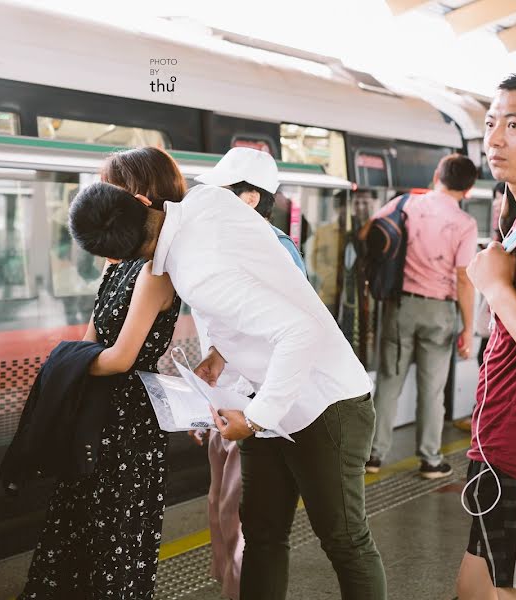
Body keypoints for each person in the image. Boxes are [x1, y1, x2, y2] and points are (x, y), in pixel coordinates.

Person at [69, 153, 385, 600]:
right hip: (266, 399)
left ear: (112, 256)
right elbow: (260, 284)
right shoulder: (206, 203)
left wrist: (254, 419)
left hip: (324, 404)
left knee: (345, 540)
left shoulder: (197, 272)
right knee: (262, 533)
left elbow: (301, 330)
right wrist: (221, 357)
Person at [19, 147, 184, 600]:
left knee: (114, 537)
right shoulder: (119, 260)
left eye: (105, 185)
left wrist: (63, 361)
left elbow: (120, 357)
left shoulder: (156, 270)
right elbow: (94, 341)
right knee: (77, 530)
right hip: (96, 413)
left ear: (138, 195)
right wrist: (76, 358)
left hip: (128, 422)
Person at [186, 147, 307, 600]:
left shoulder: (276, 250)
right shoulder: (221, 245)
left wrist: (260, 410)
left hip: (255, 403)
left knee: (239, 516)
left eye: (220, 194)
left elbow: (293, 332)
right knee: (220, 507)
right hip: (225, 398)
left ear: (250, 199)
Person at [455, 68, 516, 600]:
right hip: (503, 454)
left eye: (515, 124)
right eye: (491, 123)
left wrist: (495, 289)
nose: (494, 139)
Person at [362, 153, 479, 479]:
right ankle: (430, 460)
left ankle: (373, 455)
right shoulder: (465, 224)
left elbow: (368, 234)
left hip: (400, 306)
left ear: (436, 177)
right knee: (432, 388)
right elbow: (464, 278)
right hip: (440, 312)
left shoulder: (406, 204)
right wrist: (468, 328)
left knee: (389, 382)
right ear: (468, 189)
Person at [455, 182, 507, 433]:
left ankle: (483, 419)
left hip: (501, 322)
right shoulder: (502, 234)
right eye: (496, 199)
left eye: (501, 198)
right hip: (493, 320)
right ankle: (482, 416)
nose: (497, 204)